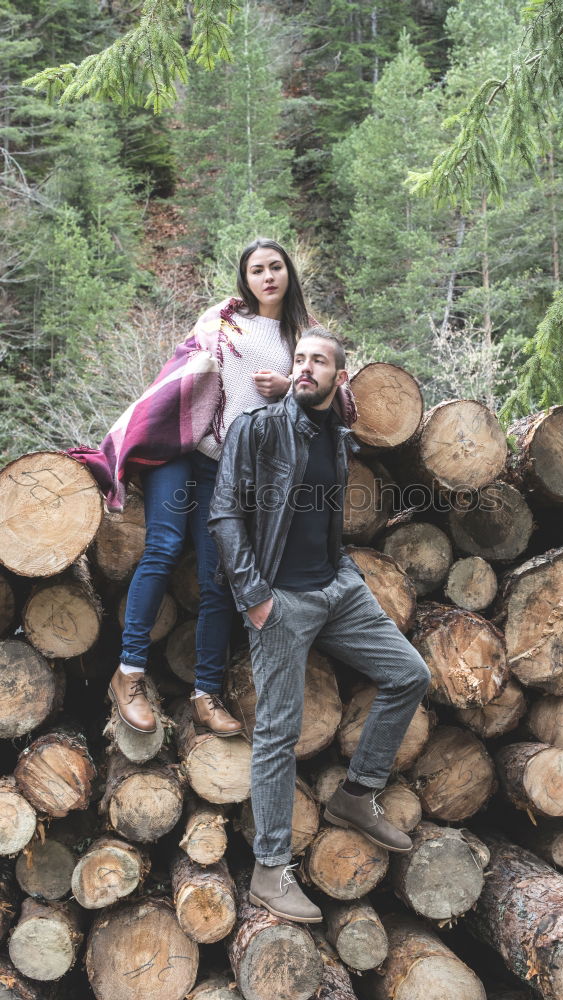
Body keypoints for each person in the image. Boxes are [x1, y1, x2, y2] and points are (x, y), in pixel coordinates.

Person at [208, 326, 431, 923]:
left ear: (338, 375)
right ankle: (270, 870)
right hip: (280, 600)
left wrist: (342, 576)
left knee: (410, 674)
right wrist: (254, 596)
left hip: (338, 588)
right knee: (279, 732)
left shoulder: (335, 433)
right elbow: (224, 514)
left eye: (318, 362)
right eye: (299, 359)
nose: (305, 368)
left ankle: (356, 796)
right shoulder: (255, 429)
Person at [69, 238, 310, 736]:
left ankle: (206, 692)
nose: (267, 276)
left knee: (217, 574)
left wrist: (288, 388)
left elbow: (329, 392)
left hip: (227, 471)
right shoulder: (223, 319)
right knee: (163, 544)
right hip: (180, 451)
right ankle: (129, 672)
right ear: (245, 279)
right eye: (256, 269)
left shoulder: (300, 339)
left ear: (289, 273)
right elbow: (184, 373)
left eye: (275, 267)